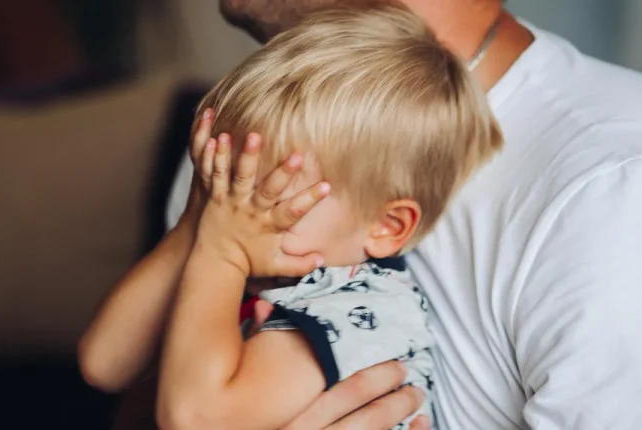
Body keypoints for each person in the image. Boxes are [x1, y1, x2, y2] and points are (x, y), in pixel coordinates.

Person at [83, 0, 642, 428]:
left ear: (390, 225)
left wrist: (222, 249)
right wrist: (202, 232)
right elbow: (120, 377)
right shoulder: (251, 141)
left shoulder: (609, 192)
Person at [155, 5, 501, 430]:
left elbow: (194, 420)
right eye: (229, 186)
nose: (234, 213)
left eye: (275, 196)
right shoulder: (247, 251)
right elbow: (103, 363)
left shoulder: (356, 307)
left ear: (387, 227)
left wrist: (220, 250)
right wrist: (198, 219)